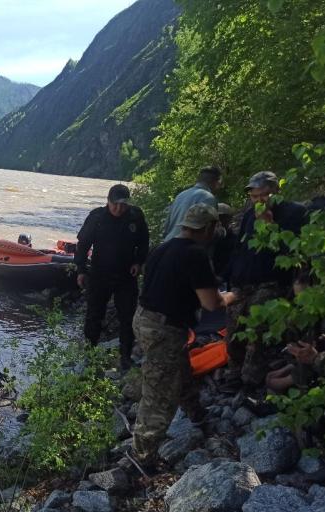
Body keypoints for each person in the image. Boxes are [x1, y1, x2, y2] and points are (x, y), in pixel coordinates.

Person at [131, 204, 236, 467]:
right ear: (209, 228)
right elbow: (211, 303)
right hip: (164, 329)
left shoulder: (162, 248)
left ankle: (197, 414)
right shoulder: (195, 255)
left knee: (180, 369)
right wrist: (235, 296)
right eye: (216, 227)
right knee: (159, 394)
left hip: (143, 318)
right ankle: (142, 457)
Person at [224, 171, 307, 390]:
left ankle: (252, 378)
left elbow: (295, 253)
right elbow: (240, 248)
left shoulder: (294, 212)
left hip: (272, 283)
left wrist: (271, 227)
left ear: (276, 191)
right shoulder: (250, 215)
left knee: (256, 327)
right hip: (243, 283)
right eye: (254, 196)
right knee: (233, 328)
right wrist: (230, 278)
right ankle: (234, 373)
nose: (259, 200)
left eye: (264, 195)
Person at [75, 184, 149, 371]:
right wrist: (81, 270)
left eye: (122, 205)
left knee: (127, 315)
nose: (118, 209)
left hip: (126, 275)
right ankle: (90, 356)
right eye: (114, 204)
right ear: (108, 201)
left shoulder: (135, 216)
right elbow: (83, 244)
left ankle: (125, 357)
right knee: (94, 314)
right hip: (100, 273)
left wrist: (138, 262)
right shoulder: (97, 217)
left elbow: (144, 242)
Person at [162, 166, 223, 241]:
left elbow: (166, 228)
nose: (220, 187)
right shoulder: (209, 198)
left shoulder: (180, 195)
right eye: (220, 183)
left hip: (169, 244)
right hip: (187, 247)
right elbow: (209, 232)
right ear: (215, 182)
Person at [212, 202, 236, 284]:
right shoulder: (209, 238)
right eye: (218, 217)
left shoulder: (234, 239)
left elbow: (233, 260)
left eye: (223, 217)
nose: (220, 221)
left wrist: (222, 276)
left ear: (229, 219)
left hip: (226, 279)